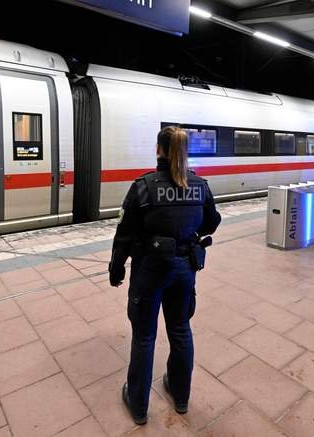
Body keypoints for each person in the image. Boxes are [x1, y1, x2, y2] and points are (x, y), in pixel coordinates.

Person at [108, 125, 222, 425]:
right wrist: (187, 232)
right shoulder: (199, 185)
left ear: (158, 150)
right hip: (184, 269)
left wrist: (116, 268)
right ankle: (181, 396)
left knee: (144, 337)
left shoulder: (144, 186)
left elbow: (124, 234)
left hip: (150, 270)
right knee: (181, 329)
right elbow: (212, 222)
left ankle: (138, 404)